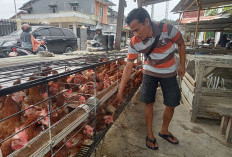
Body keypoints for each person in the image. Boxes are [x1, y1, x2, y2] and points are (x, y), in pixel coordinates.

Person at [117, 8, 186, 150]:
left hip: (169, 72)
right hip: (149, 72)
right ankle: (150, 135)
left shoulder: (168, 29)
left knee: (171, 103)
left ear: (147, 21)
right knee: (148, 103)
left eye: (137, 29)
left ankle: (164, 131)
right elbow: (129, 66)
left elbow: (181, 43)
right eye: (132, 31)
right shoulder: (134, 42)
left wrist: (183, 66)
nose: (135, 34)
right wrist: (120, 91)